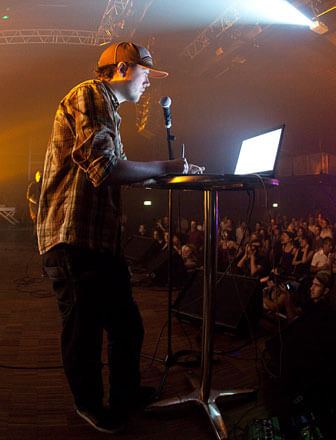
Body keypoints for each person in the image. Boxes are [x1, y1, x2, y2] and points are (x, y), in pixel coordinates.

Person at [37, 42, 204, 434]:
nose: (148, 83)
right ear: (124, 68)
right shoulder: (90, 94)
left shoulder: (109, 111)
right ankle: (89, 404)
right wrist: (168, 166)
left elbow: (119, 172)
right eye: (147, 74)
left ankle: (125, 394)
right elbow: (106, 169)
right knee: (84, 332)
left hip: (97, 241)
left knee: (127, 324)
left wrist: (172, 174)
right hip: (73, 236)